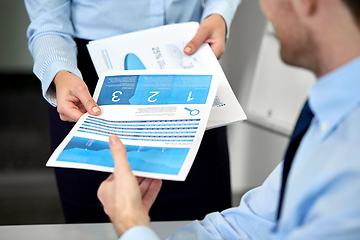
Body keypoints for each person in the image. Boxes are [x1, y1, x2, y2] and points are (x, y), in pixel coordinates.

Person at [97, 0, 360, 239]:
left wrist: (130, 224)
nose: (264, 7)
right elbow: (251, 223)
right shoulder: (332, 107)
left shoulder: (350, 170)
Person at [25, 0, 242, 223]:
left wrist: (219, 14)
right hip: (87, 83)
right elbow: (47, 19)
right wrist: (58, 70)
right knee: (97, 227)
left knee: (205, 222)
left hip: (187, 62)